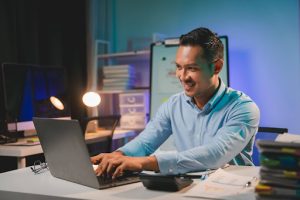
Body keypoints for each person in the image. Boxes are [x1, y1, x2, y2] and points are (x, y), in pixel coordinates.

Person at [91, 27, 260, 179]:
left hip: (230, 191)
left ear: (216, 67)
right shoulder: (173, 105)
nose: (182, 76)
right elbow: (145, 142)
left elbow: (214, 155)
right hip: (185, 188)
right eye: (179, 67)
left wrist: (143, 163)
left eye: (192, 68)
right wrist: (118, 155)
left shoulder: (243, 108)